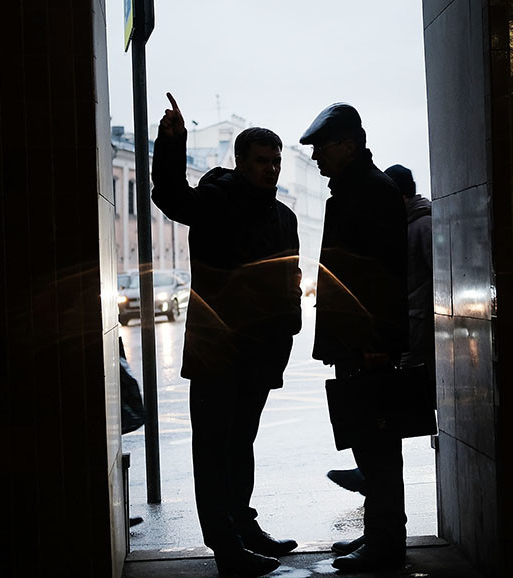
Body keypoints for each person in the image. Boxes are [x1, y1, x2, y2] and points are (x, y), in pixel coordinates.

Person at [152, 93, 302, 578]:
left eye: (277, 162)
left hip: (260, 355)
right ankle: (226, 546)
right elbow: (172, 198)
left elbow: (291, 283)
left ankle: (244, 526)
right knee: (214, 449)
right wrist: (172, 144)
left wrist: (287, 336)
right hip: (218, 352)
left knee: (241, 444)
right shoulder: (216, 200)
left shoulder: (285, 217)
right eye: (263, 161)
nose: (272, 170)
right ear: (240, 162)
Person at [300, 103, 409, 571]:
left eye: (322, 147)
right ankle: (376, 534)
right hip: (357, 340)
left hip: (370, 343)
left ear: (349, 144)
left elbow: (380, 276)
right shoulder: (352, 189)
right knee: (367, 442)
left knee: (379, 447)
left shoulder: (372, 191)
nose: (317, 156)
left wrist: (374, 340)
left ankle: (386, 544)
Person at [325, 164, 435, 554]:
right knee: (379, 430)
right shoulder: (406, 224)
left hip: (411, 341)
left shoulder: (419, 227)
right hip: (405, 337)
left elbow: (430, 285)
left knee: (384, 430)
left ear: (399, 196)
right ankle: (376, 525)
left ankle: (382, 532)